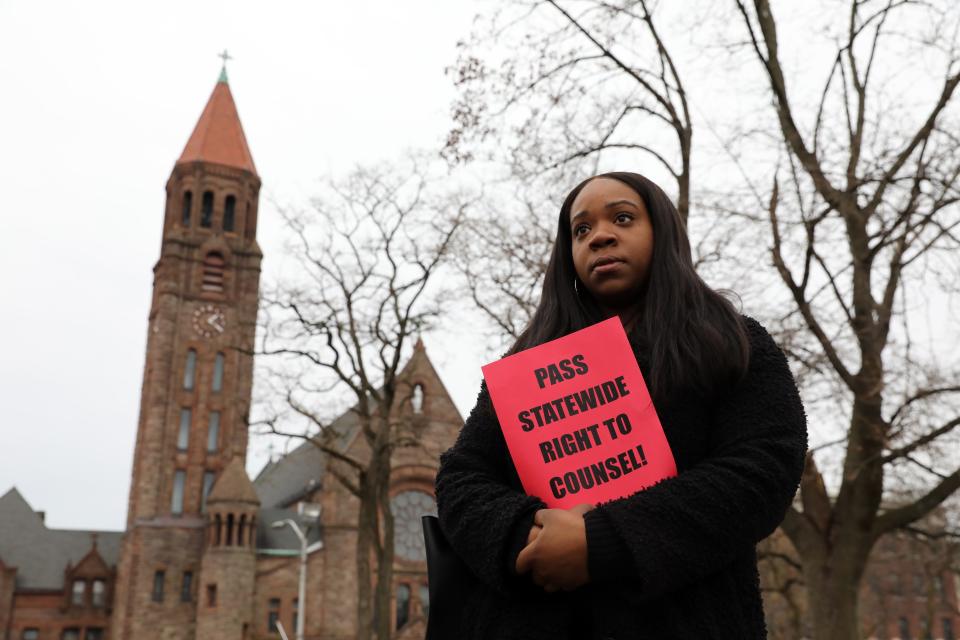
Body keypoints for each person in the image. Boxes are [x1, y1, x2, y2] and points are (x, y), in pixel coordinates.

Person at [434, 172, 808, 639]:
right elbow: (461, 476)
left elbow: (761, 469)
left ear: (664, 233)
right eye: (581, 230)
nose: (600, 236)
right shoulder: (526, 363)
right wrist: (527, 537)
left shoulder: (732, 342)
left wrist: (601, 543)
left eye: (623, 217)